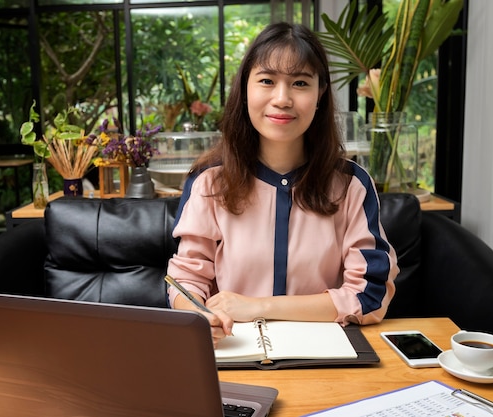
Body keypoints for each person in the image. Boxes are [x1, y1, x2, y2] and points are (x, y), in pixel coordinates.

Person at [166, 22, 399, 346]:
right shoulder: (209, 181)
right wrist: (198, 314)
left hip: (326, 360)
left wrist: (259, 307)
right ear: (244, 88)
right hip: (234, 355)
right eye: (266, 81)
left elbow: (369, 293)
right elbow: (186, 279)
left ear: (320, 94)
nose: (282, 98)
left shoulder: (351, 185)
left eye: (300, 83)